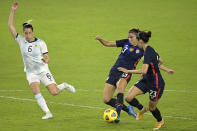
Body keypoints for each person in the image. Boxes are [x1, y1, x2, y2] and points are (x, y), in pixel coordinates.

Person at [8, 2, 76, 119]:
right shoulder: (20, 40)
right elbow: (10, 25)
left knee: (54, 92)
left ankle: (64, 85)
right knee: (36, 91)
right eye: (26, 33)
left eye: (29, 33)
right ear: (23, 33)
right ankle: (48, 113)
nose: (28, 35)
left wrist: (46, 60)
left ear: (33, 32)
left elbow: (47, 57)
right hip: (31, 73)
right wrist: (12, 11)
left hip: (43, 70)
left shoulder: (41, 43)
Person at [118, 30, 174, 130]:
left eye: (136, 39)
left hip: (155, 84)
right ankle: (142, 109)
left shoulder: (148, 53)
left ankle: (160, 121)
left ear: (140, 41)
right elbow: (160, 61)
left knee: (152, 107)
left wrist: (127, 71)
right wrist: (166, 69)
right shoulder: (149, 49)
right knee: (128, 98)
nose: (134, 42)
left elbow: (143, 71)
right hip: (145, 80)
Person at [95, 28, 144, 122]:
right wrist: (100, 39)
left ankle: (117, 115)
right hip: (114, 71)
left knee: (120, 88)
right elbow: (108, 43)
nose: (129, 39)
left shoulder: (142, 48)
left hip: (126, 72)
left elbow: (148, 62)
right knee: (106, 99)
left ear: (137, 37)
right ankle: (128, 109)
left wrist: (143, 73)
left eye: (131, 37)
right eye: (128, 37)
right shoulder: (125, 42)